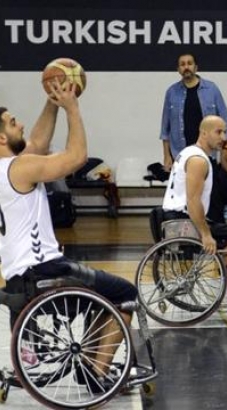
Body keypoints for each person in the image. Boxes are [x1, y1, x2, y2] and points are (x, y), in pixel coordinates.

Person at [0, 81, 138, 392]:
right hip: (46, 270)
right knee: (126, 294)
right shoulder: (19, 168)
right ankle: (97, 375)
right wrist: (72, 108)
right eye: (12, 122)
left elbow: (35, 141)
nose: (19, 123)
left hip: (17, 277)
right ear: (1, 137)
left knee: (103, 291)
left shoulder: (8, 167)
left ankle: (91, 362)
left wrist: (52, 102)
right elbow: (76, 157)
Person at [162, 115, 227, 305]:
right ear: (204, 132)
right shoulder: (198, 160)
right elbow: (193, 201)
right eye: (219, 132)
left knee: (222, 231)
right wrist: (206, 234)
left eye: (225, 132)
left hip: (174, 215)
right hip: (181, 218)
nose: (223, 137)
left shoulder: (187, 152)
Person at [159, 53, 227, 223]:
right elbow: (165, 128)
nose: (186, 67)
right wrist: (166, 155)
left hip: (208, 155)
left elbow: (225, 119)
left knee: (212, 197)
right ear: (178, 69)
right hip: (182, 155)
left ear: (196, 67)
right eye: (182, 64)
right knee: (187, 198)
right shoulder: (171, 92)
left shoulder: (212, 89)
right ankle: (190, 238)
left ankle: (215, 233)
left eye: (189, 63)